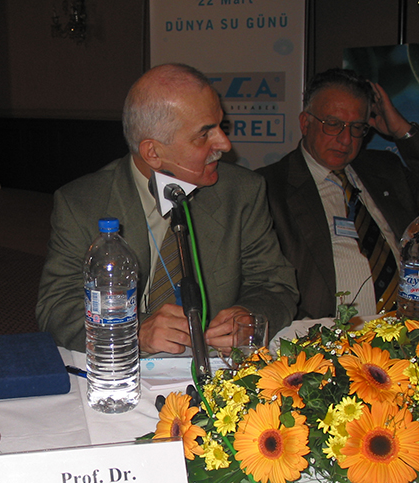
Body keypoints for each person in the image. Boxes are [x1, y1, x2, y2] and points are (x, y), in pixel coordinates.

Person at [36, 63, 298, 355]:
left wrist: (249, 318)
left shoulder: (242, 192)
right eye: (204, 134)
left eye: (221, 127)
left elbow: (275, 286)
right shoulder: (81, 204)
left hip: (218, 367)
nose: (225, 144)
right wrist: (132, 331)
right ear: (153, 152)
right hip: (122, 365)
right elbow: (56, 307)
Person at [257, 68, 419, 320]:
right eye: (333, 124)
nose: (346, 139)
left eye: (357, 127)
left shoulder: (385, 169)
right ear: (305, 123)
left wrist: (402, 130)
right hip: (323, 335)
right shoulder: (268, 187)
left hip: (409, 328)